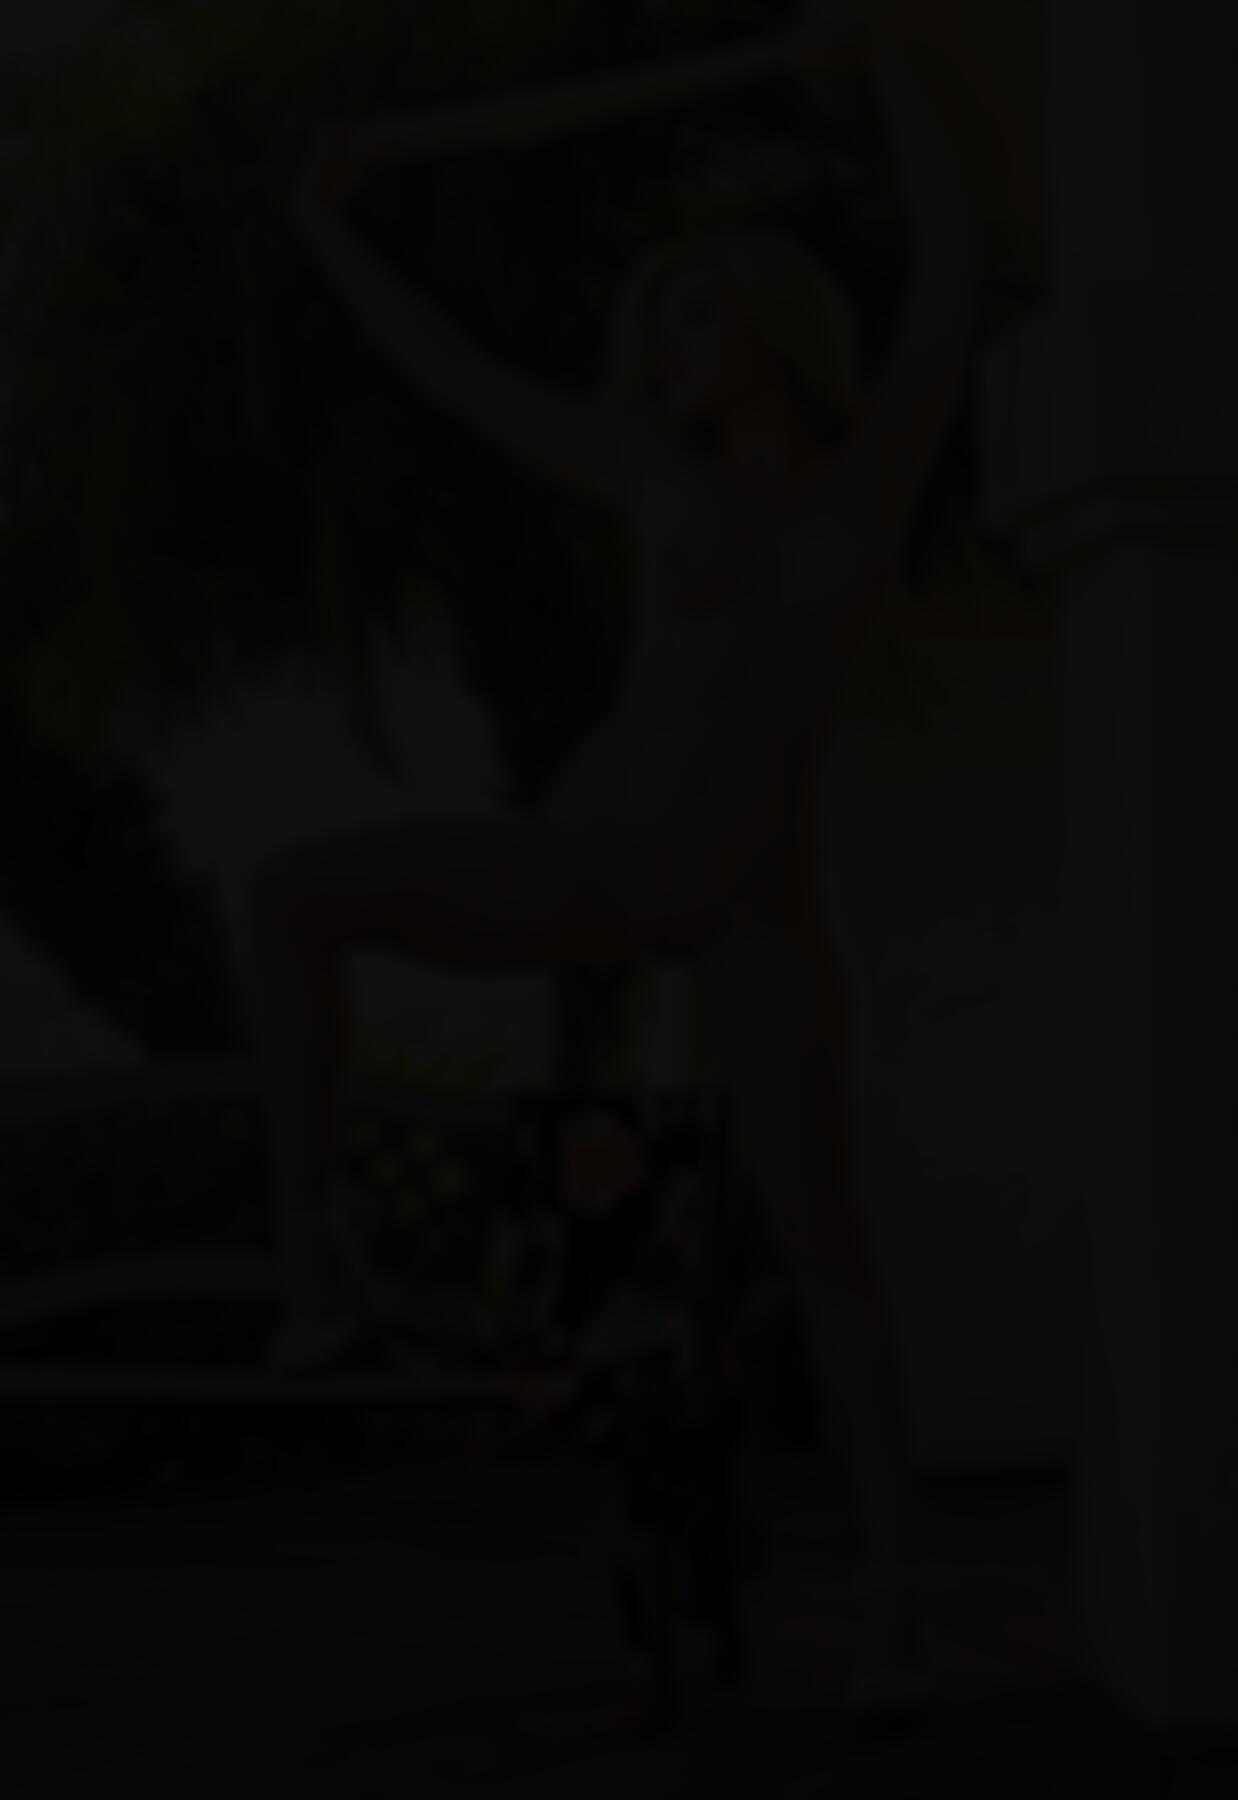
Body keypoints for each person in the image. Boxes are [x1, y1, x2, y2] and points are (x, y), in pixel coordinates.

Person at [238, 0, 979, 1720]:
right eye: (655, 325)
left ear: (774, 320)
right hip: (585, 860)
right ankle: (310, 1266)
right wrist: (329, 228)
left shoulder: (870, 473)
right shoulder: (644, 462)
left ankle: (891, 1608)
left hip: (747, 909)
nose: (665, 348)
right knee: (286, 898)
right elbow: (444, 368)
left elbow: (948, 251)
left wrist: (888, 62)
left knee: (827, 1248)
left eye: (692, 310)